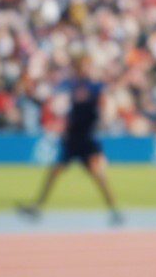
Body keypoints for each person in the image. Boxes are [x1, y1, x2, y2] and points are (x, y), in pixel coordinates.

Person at [17, 52, 124, 224]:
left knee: (99, 176)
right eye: (82, 66)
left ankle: (115, 210)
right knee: (54, 173)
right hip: (72, 139)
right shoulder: (69, 86)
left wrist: (104, 116)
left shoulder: (94, 87)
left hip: (87, 138)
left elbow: (103, 103)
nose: (85, 69)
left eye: (87, 66)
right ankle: (37, 207)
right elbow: (51, 103)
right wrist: (33, 96)